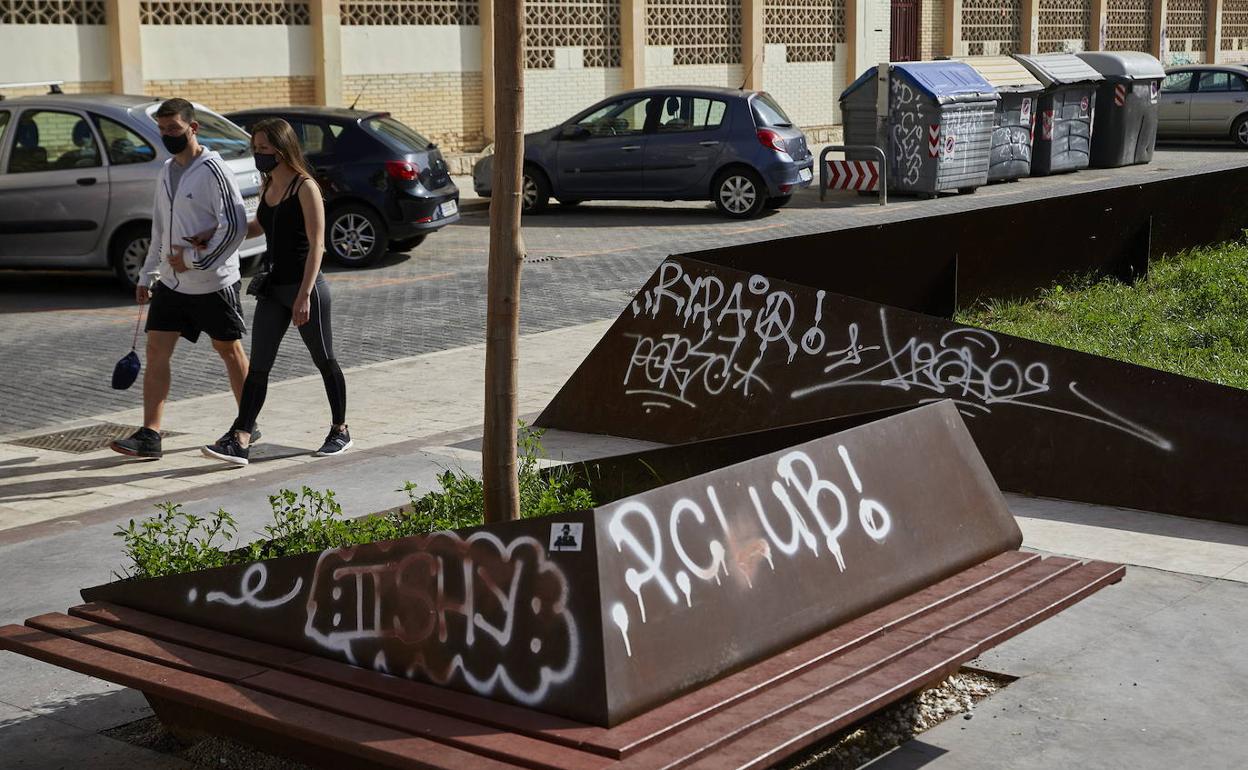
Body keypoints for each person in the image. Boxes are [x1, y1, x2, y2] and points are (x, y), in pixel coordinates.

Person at [202, 118, 350, 466]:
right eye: (256, 149)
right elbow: (259, 226)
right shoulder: (269, 184)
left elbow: (317, 246)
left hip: (305, 289)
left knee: (324, 359)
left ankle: (340, 429)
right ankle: (240, 436)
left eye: (265, 149)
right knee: (259, 366)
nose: (259, 155)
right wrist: (218, 234)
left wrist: (304, 295)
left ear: (283, 150)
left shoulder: (305, 187)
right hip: (273, 287)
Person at [110, 98, 250, 460]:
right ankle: (150, 435)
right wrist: (148, 273)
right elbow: (160, 226)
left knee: (229, 352)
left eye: (174, 129)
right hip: (172, 284)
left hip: (213, 284)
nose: (168, 135)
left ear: (193, 128)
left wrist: (193, 260)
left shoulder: (214, 169)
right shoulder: (166, 170)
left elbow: (234, 226)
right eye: (162, 130)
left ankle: (249, 421)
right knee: (157, 350)